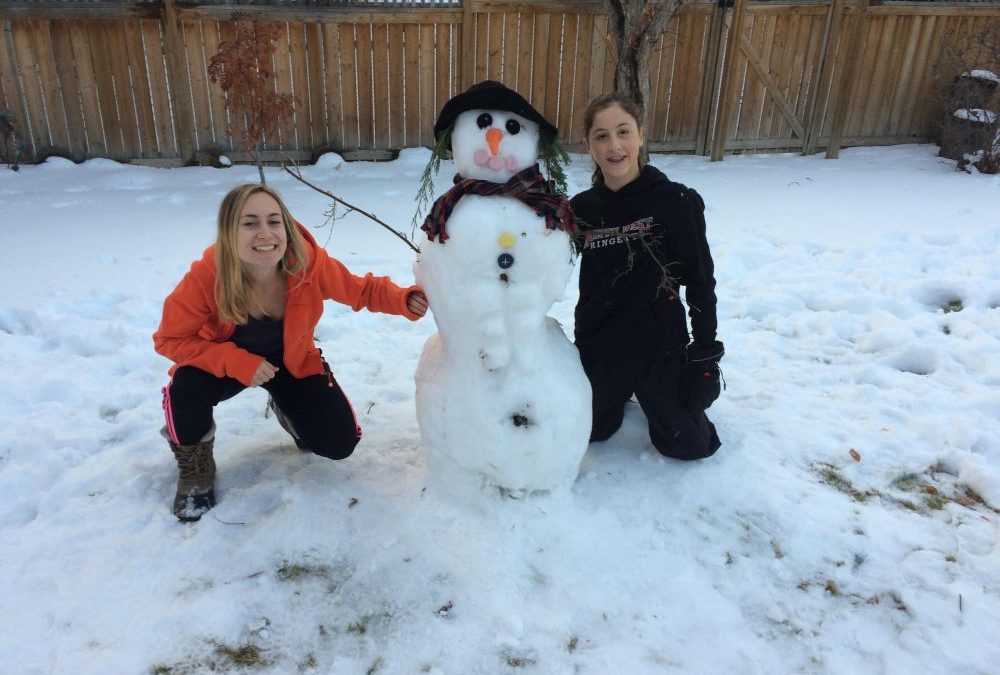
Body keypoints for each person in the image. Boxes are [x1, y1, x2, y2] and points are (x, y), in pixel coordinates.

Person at [153, 183, 428, 522]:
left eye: (274, 221)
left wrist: (403, 299)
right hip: (223, 366)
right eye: (249, 223)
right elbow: (169, 339)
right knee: (186, 388)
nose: (265, 233)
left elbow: (361, 290)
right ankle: (195, 466)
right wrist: (236, 361)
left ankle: (288, 410)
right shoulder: (207, 275)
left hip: (290, 364)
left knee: (339, 443)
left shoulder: (307, 263)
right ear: (228, 232)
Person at [571, 92, 724, 460]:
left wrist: (705, 355)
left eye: (623, 131)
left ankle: (658, 392)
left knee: (688, 445)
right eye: (602, 136)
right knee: (589, 432)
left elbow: (700, 281)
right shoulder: (580, 210)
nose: (614, 146)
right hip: (601, 345)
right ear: (589, 146)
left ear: (640, 135)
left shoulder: (676, 202)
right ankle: (615, 392)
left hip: (659, 346)